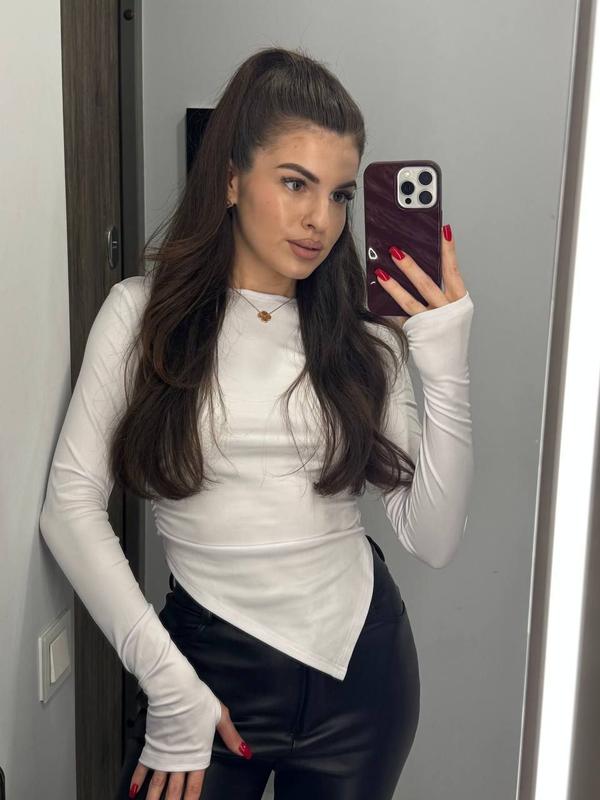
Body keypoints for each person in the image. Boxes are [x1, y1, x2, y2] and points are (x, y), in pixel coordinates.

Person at [39, 46, 474, 800]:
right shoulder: (141, 316)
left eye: (339, 194)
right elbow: (69, 508)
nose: (320, 220)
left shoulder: (365, 342)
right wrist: (169, 685)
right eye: (295, 182)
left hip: (362, 678)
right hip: (205, 670)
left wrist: (444, 358)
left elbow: (433, 539)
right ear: (232, 178)